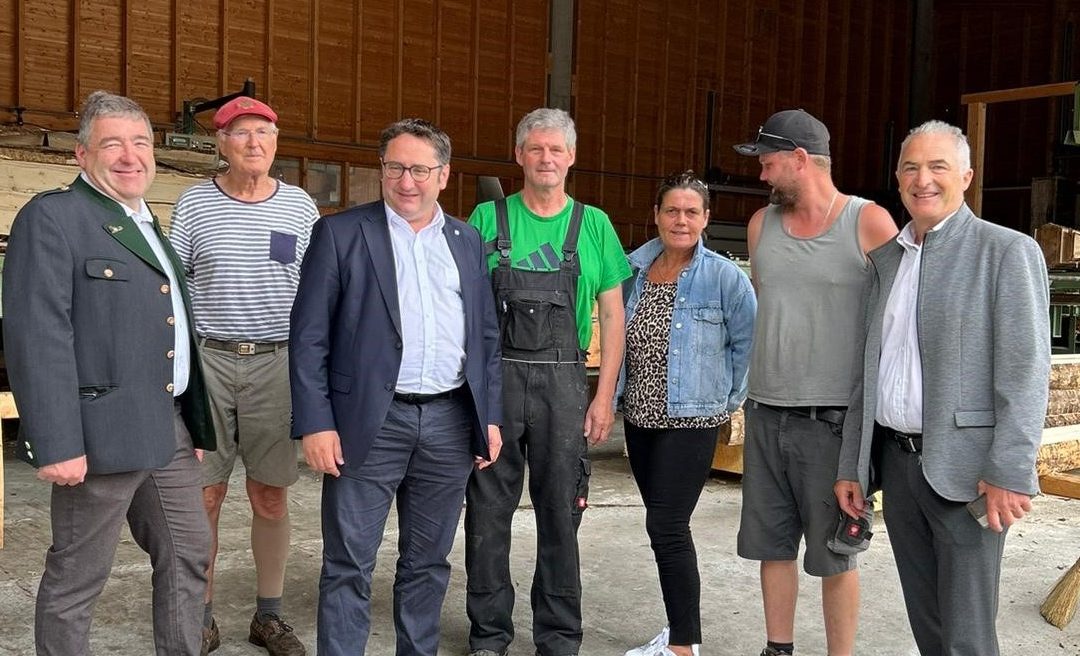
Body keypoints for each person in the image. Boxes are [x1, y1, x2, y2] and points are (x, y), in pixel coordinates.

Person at [2, 90, 216, 655]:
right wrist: (55, 441)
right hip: (96, 436)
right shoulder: (54, 217)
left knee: (189, 554)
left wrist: (194, 423)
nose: (130, 156)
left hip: (168, 430)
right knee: (79, 577)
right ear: (81, 155)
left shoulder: (146, 222)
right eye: (112, 144)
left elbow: (173, 329)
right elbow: (38, 336)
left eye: (140, 142)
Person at [835, 121, 1050, 656]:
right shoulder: (886, 261)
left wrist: (1009, 471)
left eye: (938, 167)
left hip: (968, 474)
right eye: (911, 167)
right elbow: (869, 372)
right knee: (928, 624)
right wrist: (852, 465)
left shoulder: (1004, 252)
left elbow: (1026, 373)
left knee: (967, 636)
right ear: (898, 179)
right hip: (900, 467)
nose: (922, 179)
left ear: (966, 177)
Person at [289, 118, 503, 656]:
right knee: (348, 562)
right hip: (368, 422)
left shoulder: (467, 240)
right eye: (395, 167)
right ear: (382, 170)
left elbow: (483, 335)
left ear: (444, 176)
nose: (407, 181)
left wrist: (489, 416)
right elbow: (308, 336)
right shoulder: (340, 232)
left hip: (451, 422)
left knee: (428, 562)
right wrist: (315, 422)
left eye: (420, 169)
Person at [463, 107, 632, 656]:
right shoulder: (487, 219)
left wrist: (603, 396)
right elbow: (465, 310)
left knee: (562, 512)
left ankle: (558, 637)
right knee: (488, 513)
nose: (546, 158)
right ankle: (489, 634)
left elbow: (612, 317)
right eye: (535, 148)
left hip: (565, 384)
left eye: (556, 149)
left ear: (572, 157)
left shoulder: (594, 224)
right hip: (497, 383)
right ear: (519, 155)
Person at [731, 109, 898, 656]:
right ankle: (777, 648)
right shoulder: (762, 226)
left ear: (801, 161)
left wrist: (868, 436)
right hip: (764, 411)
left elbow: (896, 326)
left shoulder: (869, 223)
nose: (761, 175)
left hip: (831, 423)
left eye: (769, 163)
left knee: (835, 553)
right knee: (770, 545)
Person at [169, 96, 318, 656]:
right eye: (241, 134)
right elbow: (174, 291)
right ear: (220, 143)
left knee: (270, 495)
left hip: (277, 364)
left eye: (264, 133)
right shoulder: (194, 206)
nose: (254, 143)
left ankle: (269, 615)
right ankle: (200, 615)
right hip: (208, 363)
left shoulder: (299, 208)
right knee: (204, 495)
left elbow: (317, 291)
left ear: (276, 143)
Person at [618, 171, 756, 656]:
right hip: (639, 421)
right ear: (656, 215)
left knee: (668, 527)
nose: (681, 220)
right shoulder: (632, 268)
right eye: (672, 210)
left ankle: (683, 645)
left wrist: (725, 403)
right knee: (662, 528)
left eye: (691, 211)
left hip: (690, 423)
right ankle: (678, 633)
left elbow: (748, 349)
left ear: (706, 219)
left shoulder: (725, 278)